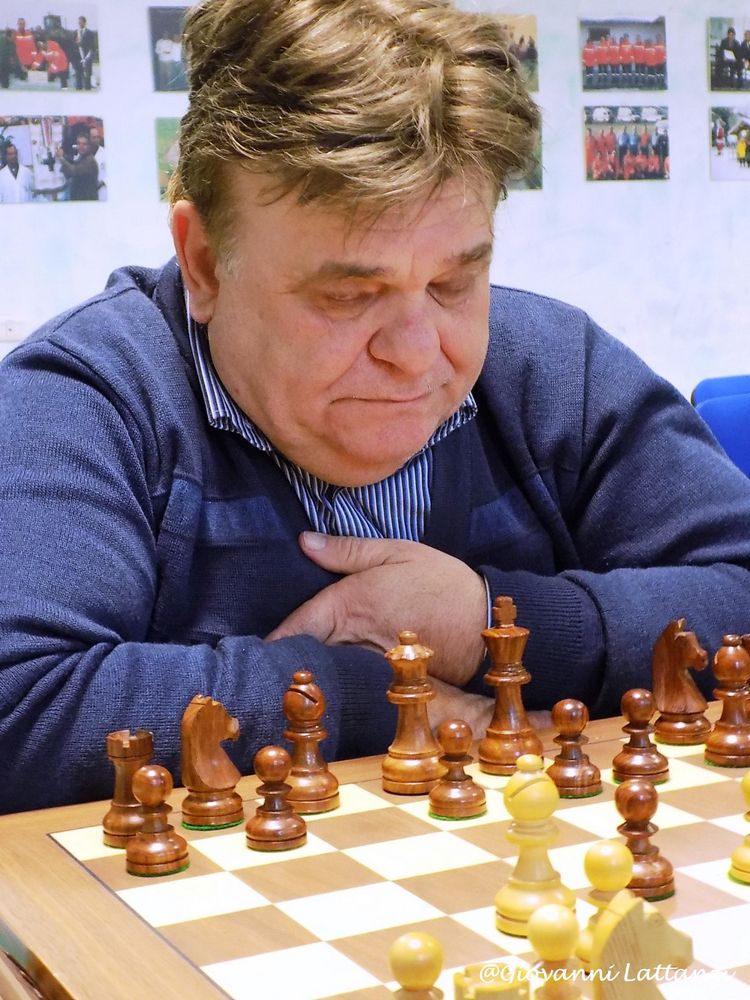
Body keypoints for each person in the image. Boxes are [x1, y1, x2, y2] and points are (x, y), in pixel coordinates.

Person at [2, 0, 750, 815]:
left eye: (454, 282)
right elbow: (21, 707)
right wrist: (380, 695)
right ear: (206, 264)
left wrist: (488, 624)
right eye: (350, 295)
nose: (418, 351)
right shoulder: (83, 399)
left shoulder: (554, 370)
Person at [55, 132, 98, 200]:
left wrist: (61, 158)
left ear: (89, 146)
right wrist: (63, 155)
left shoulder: (89, 161)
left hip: (86, 200)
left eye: (84, 144)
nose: (81, 147)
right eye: (79, 143)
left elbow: (73, 170)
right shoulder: (83, 157)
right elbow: (74, 164)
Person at [88, 123, 106, 200]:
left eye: (97, 137)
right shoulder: (83, 154)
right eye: (93, 138)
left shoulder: (106, 153)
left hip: (103, 192)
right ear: (88, 139)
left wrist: (102, 182)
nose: (96, 140)